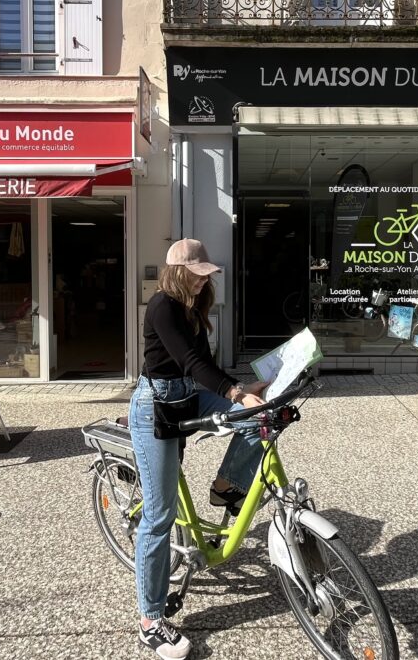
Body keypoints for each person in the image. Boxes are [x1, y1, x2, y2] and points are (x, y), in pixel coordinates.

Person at [129, 238, 271, 659]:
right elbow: (190, 363)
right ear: (177, 271)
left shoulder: (194, 306)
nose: (202, 280)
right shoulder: (162, 307)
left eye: (205, 273)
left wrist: (243, 391)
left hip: (190, 395)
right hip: (155, 406)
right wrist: (234, 391)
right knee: (159, 516)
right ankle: (150, 620)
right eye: (196, 273)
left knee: (259, 418)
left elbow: (202, 365)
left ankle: (226, 485)